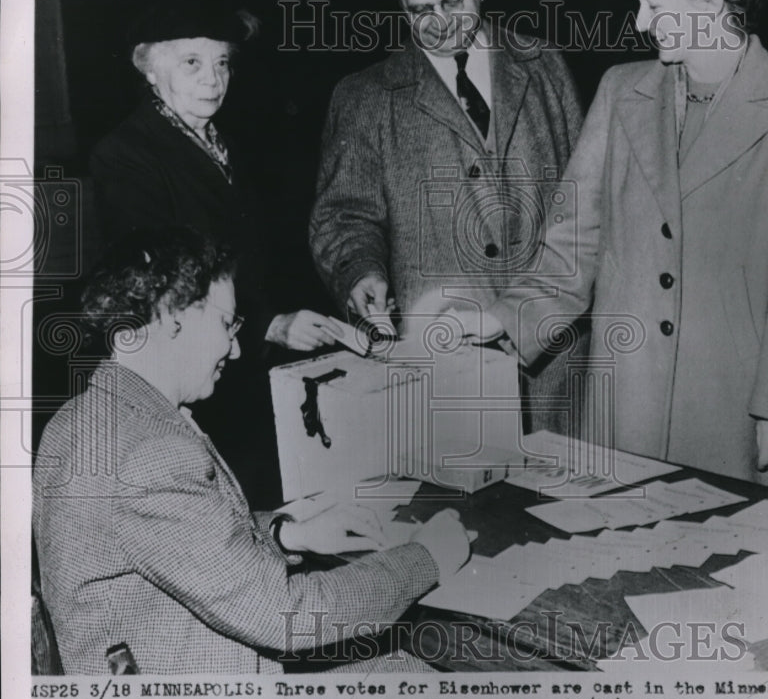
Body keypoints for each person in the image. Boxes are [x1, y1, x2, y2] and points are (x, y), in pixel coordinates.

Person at [460, 0, 768, 491]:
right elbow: (572, 246)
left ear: (711, 2)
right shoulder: (619, 90)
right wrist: (502, 317)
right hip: (626, 404)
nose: (641, 22)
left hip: (736, 412)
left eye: (654, 5)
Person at [32, 227, 470, 675]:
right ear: (167, 318)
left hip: (157, 673)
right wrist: (426, 557)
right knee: (422, 679)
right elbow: (288, 617)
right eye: (226, 324)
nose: (237, 349)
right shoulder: (150, 453)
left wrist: (286, 533)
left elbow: (185, 544)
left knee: (401, 671)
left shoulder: (80, 418)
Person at [309, 0, 585, 434]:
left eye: (453, 2)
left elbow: (588, 210)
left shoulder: (544, 65)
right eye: (420, 11)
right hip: (446, 370)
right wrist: (359, 272)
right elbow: (343, 217)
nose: (438, 23)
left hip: (555, 368)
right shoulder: (364, 97)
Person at [90, 0, 341, 507]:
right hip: (187, 382)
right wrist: (269, 322)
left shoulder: (223, 145)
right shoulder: (126, 154)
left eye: (222, 62)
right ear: (150, 70)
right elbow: (164, 288)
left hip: (242, 371)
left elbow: (256, 260)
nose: (213, 78)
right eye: (192, 62)